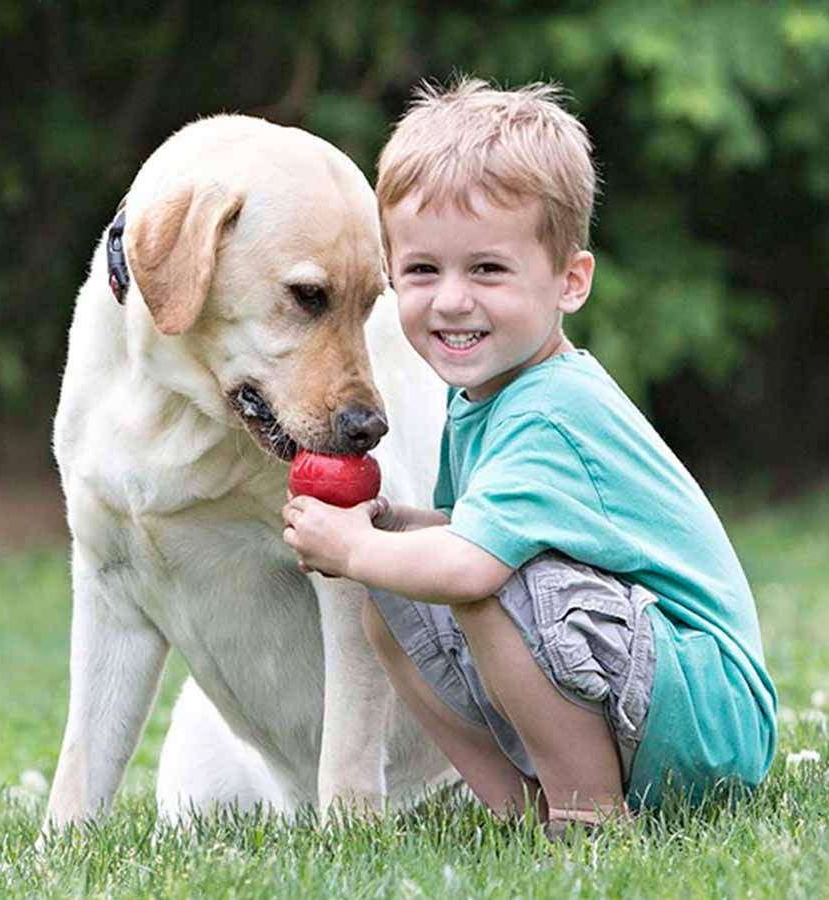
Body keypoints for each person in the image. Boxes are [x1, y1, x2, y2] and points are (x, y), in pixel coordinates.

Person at [281, 78, 777, 833]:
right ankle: (522, 809)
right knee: (389, 598)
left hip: (707, 717)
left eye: (487, 269)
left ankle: (586, 817)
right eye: (422, 270)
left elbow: (475, 564)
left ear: (569, 282)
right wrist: (396, 526)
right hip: (647, 693)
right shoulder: (481, 393)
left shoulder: (550, 410)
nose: (450, 300)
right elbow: (469, 527)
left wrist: (351, 545)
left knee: (477, 583)